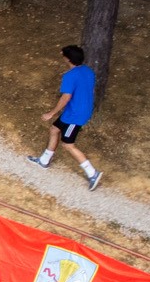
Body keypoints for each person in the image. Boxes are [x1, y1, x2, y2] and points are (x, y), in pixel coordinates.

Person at [30, 45, 102, 189]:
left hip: (75, 116)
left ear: (68, 59)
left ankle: (92, 173)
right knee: (54, 129)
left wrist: (51, 113)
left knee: (68, 145)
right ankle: (44, 160)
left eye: (63, 55)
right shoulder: (88, 71)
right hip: (76, 111)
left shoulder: (69, 76)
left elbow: (66, 97)